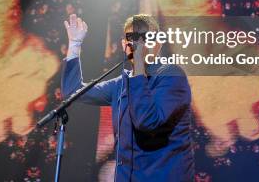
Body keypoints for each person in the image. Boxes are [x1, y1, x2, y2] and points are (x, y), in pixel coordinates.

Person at [62, 13, 194, 181]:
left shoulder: (172, 76)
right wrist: (75, 45)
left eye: (145, 39)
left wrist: (138, 63)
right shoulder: (121, 83)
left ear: (158, 43)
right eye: (133, 40)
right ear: (125, 45)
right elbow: (73, 92)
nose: (139, 45)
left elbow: (147, 122)